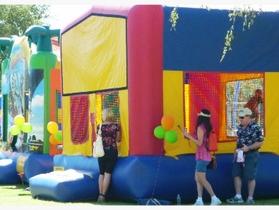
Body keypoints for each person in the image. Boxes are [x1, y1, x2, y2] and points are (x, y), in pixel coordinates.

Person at [182, 109, 222, 206]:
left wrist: (188, 135)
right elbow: (202, 140)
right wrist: (189, 136)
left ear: (200, 117)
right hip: (205, 156)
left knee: (201, 179)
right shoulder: (207, 127)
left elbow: (199, 142)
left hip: (202, 156)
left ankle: (214, 198)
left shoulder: (200, 127)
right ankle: (199, 200)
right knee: (197, 178)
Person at [226, 107, 264, 205]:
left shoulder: (256, 127)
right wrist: (235, 152)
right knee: (236, 174)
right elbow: (238, 141)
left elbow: (260, 142)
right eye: (240, 117)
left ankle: (250, 198)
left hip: (251, 154)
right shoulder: (239, 127)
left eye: (242, 117)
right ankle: (238, 197)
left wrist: (249, 148)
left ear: (249, 117)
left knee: (250, 176)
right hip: (239, 153)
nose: (240, 119)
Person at [96, 108, 121, 202]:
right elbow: (118, 139)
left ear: (105, 115)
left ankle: (99, 195)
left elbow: (98, 138)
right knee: (108, 173)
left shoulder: (100, 126)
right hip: (112, 151)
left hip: (101, 152)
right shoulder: (116, 126)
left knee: (101, 173)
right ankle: (103, 196)